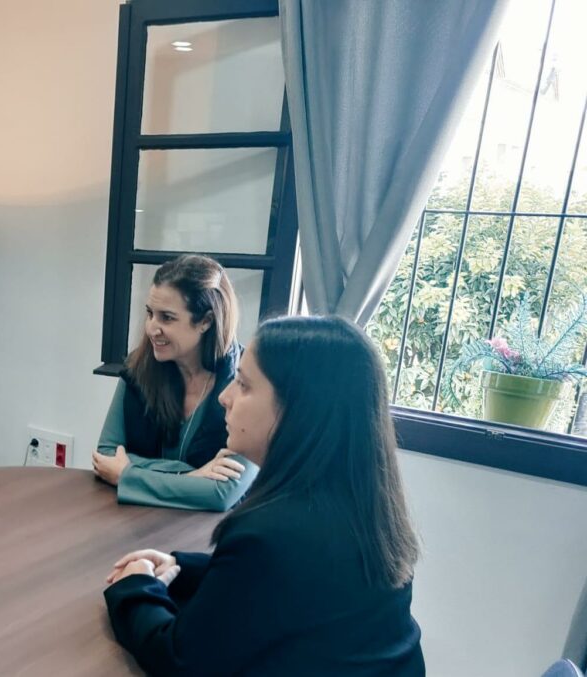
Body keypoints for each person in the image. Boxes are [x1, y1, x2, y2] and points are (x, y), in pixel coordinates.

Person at [103, 316, 424, 676]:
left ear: (297, 409)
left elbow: (180, 660)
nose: (225, 397)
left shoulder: (269, 533)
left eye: (243, 384)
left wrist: (135, 587)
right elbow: (283, 580)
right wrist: (181, 565)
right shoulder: (369, 508)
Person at [92, 254, 256, 511]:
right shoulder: (138, 367)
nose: (152, 328)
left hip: (208, 536)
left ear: (206, 321)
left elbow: (223, 493)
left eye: (167, 318)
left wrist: (129, 473)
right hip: (137, 522)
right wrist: (192, 476)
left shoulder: (248, 381)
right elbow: (106, 455)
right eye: (150, 314)